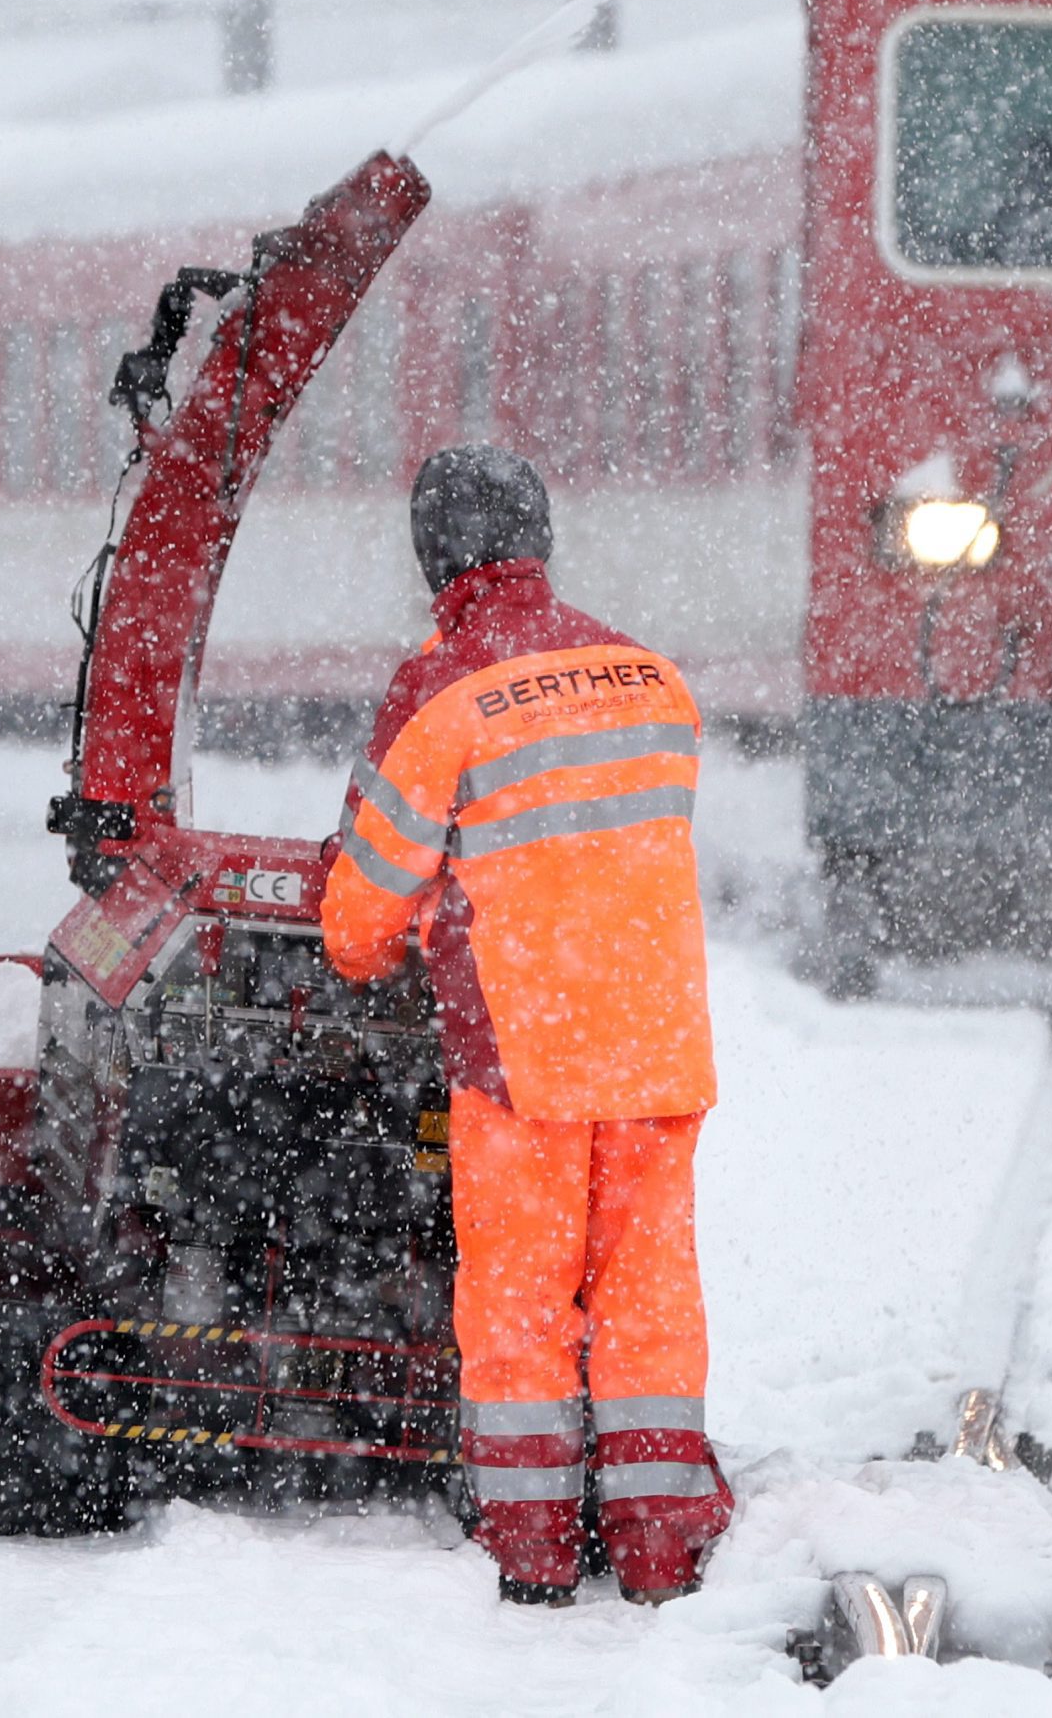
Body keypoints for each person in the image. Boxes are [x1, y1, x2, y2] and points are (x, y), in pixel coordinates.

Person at [321, 445, 732, 1607]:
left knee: (518, 1313)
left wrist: (394, 932)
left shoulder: (441, 690)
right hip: (657, 1048)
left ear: (432, 560)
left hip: (524, 1058)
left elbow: (358, 916)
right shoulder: (653, 678)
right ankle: (659, 1548)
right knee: (648, 1305)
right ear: (540, 540)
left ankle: (538, 1553)